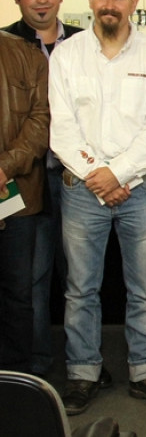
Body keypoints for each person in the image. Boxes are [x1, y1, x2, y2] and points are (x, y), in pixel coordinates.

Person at [49, 0, 146, 415]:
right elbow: (63, 129)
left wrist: (117, 175)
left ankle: (145, 372)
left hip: (138, 192)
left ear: (133, 3)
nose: (110, 5)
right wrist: (100, 177)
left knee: (145, 289)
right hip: (82, 192)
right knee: (80, 290)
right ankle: (83, 373)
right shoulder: (66, 56)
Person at [3, 0, 83, 377]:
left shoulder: (86, 43)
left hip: (79, 180)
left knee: (80, 278)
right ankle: (36, 368)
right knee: (31, 279)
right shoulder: (7, 44)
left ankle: (82, 365)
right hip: (28, 180)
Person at [0, 30, 48, 372]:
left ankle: (16, 378)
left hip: (15, 195)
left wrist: (5, 167)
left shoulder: (26, 55)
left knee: (18, 293)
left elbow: (41, 119)